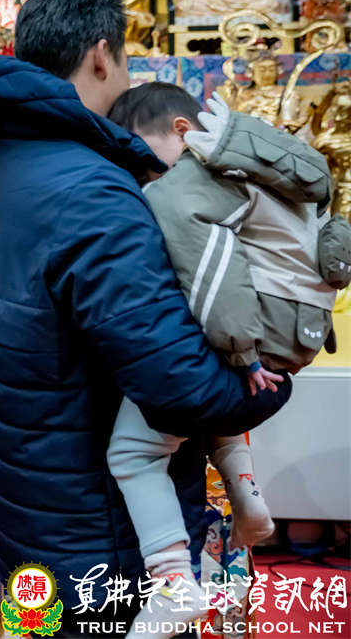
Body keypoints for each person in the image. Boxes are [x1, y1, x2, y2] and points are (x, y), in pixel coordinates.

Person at [0, 0, 290, 634]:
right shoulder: (92, 190)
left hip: (36, 519)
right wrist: (276, 371)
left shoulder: (11, 159)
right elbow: (178, 387)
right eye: (125, 59)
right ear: (102, 54)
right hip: (99, 542)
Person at [106, 83, 351, 637]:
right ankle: (248, 496)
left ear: (181, 131)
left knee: (134, 452)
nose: (143, 172)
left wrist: (241, 350)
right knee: (214, 407)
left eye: (142, 152)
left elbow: (211, 266)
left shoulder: (194, 175)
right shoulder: (267, 159)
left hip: (256, 334)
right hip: (298, 331)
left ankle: (172, 583)